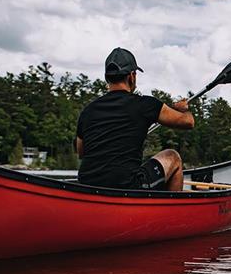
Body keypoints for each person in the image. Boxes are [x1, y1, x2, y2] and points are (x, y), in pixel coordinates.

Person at [75, 47, 194, 191]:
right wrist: (183, 109)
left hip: (86, 187)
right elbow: (188, 122)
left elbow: (81, 152)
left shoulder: (88, 111)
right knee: (173, 157)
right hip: (127, 186)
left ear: (107, 78)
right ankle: (173, 212)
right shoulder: (145, 105)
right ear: (132, 76)